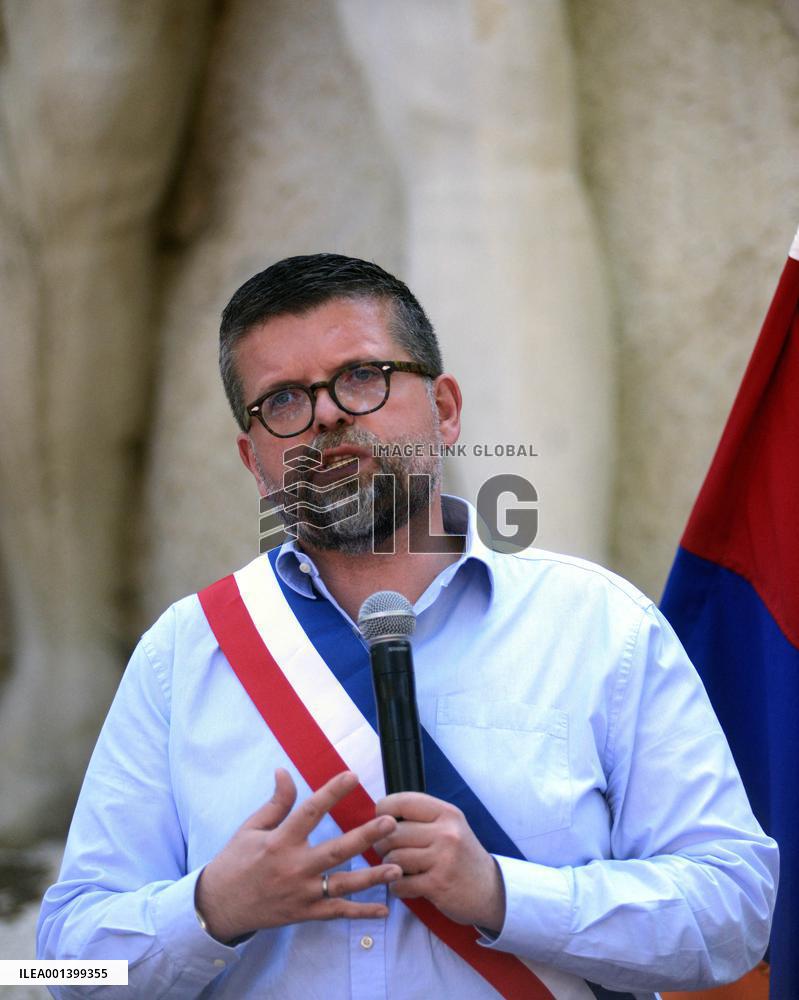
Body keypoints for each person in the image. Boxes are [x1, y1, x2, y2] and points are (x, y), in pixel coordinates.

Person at [38, 254, 778, 999]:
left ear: (445, 409)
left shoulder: (598, 626)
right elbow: (63, 967)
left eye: (363, 376)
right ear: (254, 462)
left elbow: (736, 918)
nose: (326, 414)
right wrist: (211, 909)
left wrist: (501, 894)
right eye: (283, 400)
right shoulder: (182, 651)